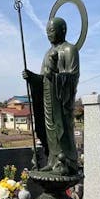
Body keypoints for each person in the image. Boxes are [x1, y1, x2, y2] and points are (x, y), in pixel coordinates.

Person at [23, 17, 79, 175]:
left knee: (62, 128)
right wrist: (32, 77)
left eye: (52, 30)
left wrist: (55, 75)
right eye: (47, 31)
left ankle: (66, 162)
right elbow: (43, 78)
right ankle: (52, 161)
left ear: (63, 30)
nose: (49, 34)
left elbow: (73, 76)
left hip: (61, 99)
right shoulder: (48, 53)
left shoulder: (69, 50)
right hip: (47, 95)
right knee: (50, 129)